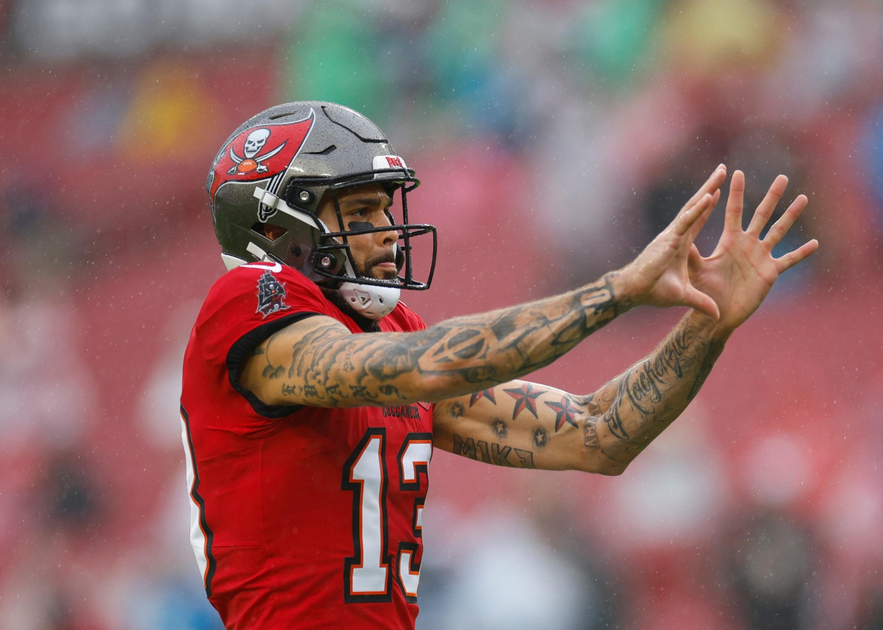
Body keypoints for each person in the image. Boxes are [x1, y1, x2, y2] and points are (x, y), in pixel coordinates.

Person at [181, 101, 818, 629]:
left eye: (384, 209)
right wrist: (618, 290)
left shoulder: (393, 332)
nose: (388, 231)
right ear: (278, 226)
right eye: (360, 213)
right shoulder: (246, 303)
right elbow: (421, 368)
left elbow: (598, 435)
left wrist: (709, 321)